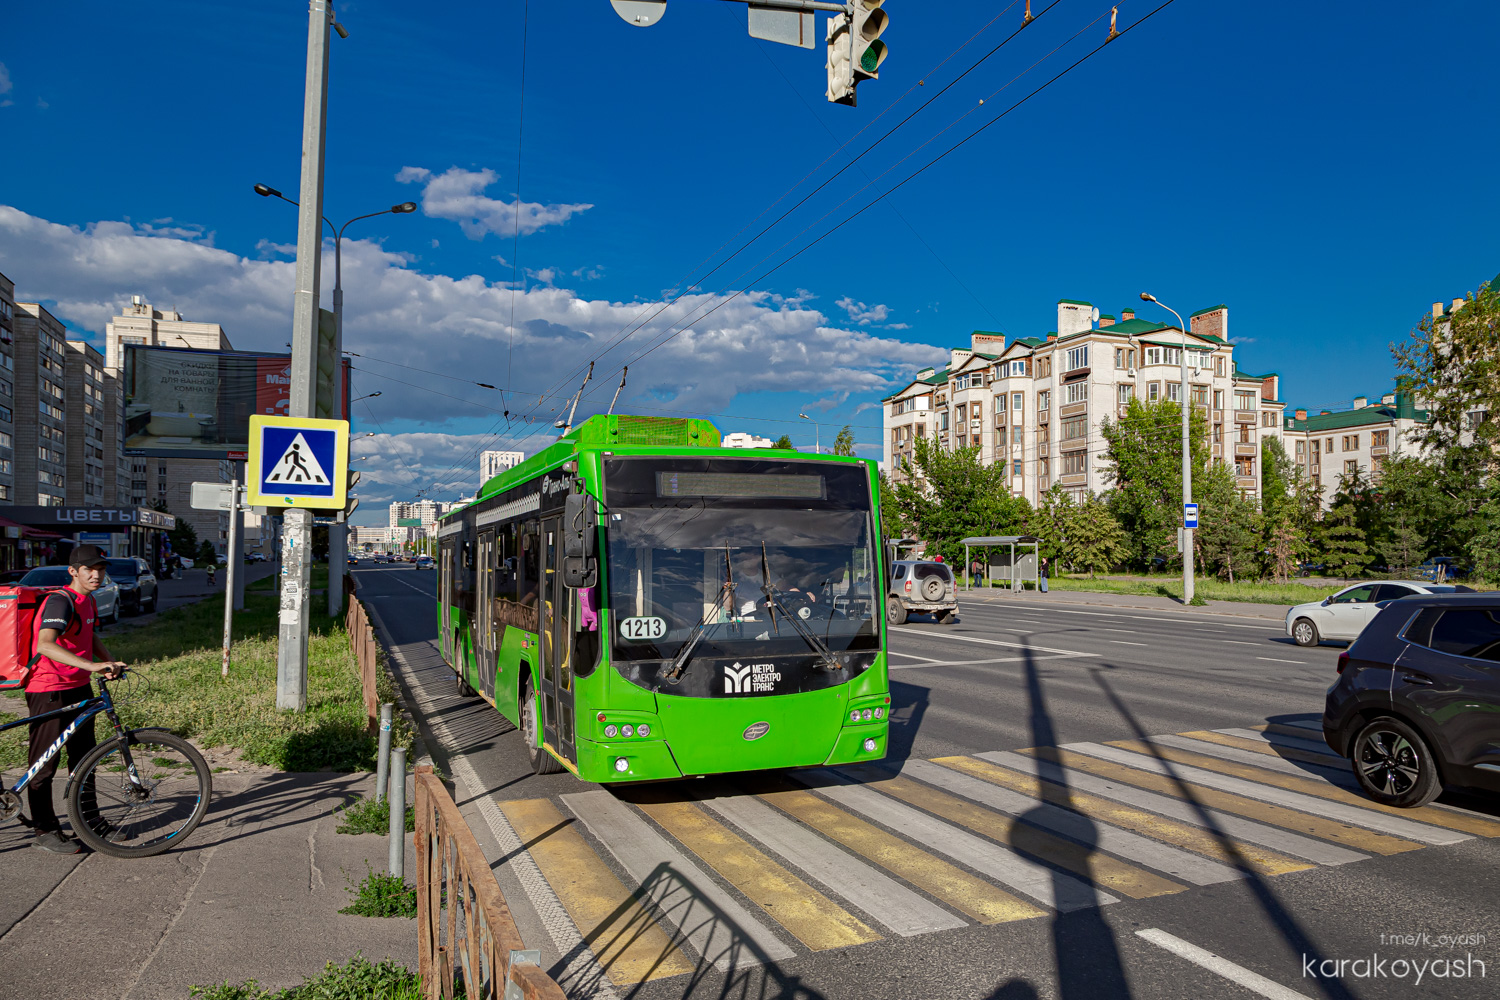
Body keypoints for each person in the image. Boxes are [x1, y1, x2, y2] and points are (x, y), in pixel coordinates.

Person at [25, 544, 126, 854]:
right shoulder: (61, 601)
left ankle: (90, 822)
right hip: (50, 689)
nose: (97, 574)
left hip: (79, 686)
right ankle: (45, 829)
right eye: (89, 570)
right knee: (44, 764)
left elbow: (89, 634)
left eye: (101, 569)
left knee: (85, 760)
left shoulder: (87, 601)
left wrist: (108, 661)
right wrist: (92, 665)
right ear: (74, 572)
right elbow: (45, 645)